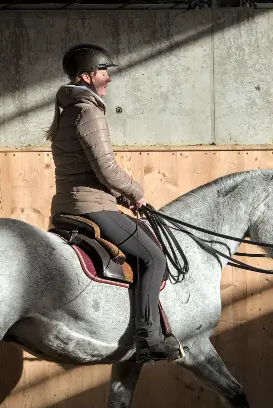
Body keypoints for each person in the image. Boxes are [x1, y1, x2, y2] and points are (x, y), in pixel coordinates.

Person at [45, 43, 182, 363]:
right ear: (86, 76)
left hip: (73, 203)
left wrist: (121, 196)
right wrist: (136, 191)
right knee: (153, 257)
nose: (108, 78)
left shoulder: (72, 111)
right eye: (103, 71)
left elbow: (91, 170)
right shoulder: (88, 112)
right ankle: (149, 338)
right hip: (90, 206)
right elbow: (106, 168)